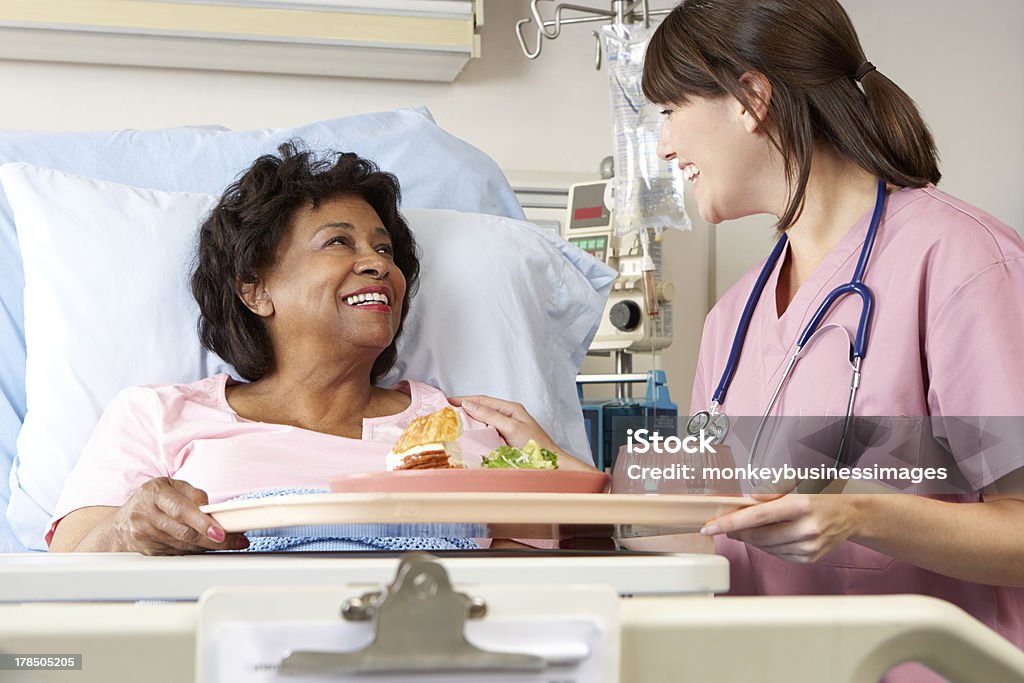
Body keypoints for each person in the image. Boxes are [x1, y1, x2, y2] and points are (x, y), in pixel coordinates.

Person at [640, 0, 1024, 672]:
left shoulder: (961, 261)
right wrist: (559, 483)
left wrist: (863, 513)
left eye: (671, 109)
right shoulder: (732, 319)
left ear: (750, 98)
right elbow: (709, 528)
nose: (664, 144)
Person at [47, 143, 589, 555]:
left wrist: (556, 472)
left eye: (384, 248)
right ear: (255, 290)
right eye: (338, 242)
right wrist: (124, 531)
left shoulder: (462, 427)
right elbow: (62, 575)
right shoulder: (158, 416)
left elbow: (554, 581)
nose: (379, 263)